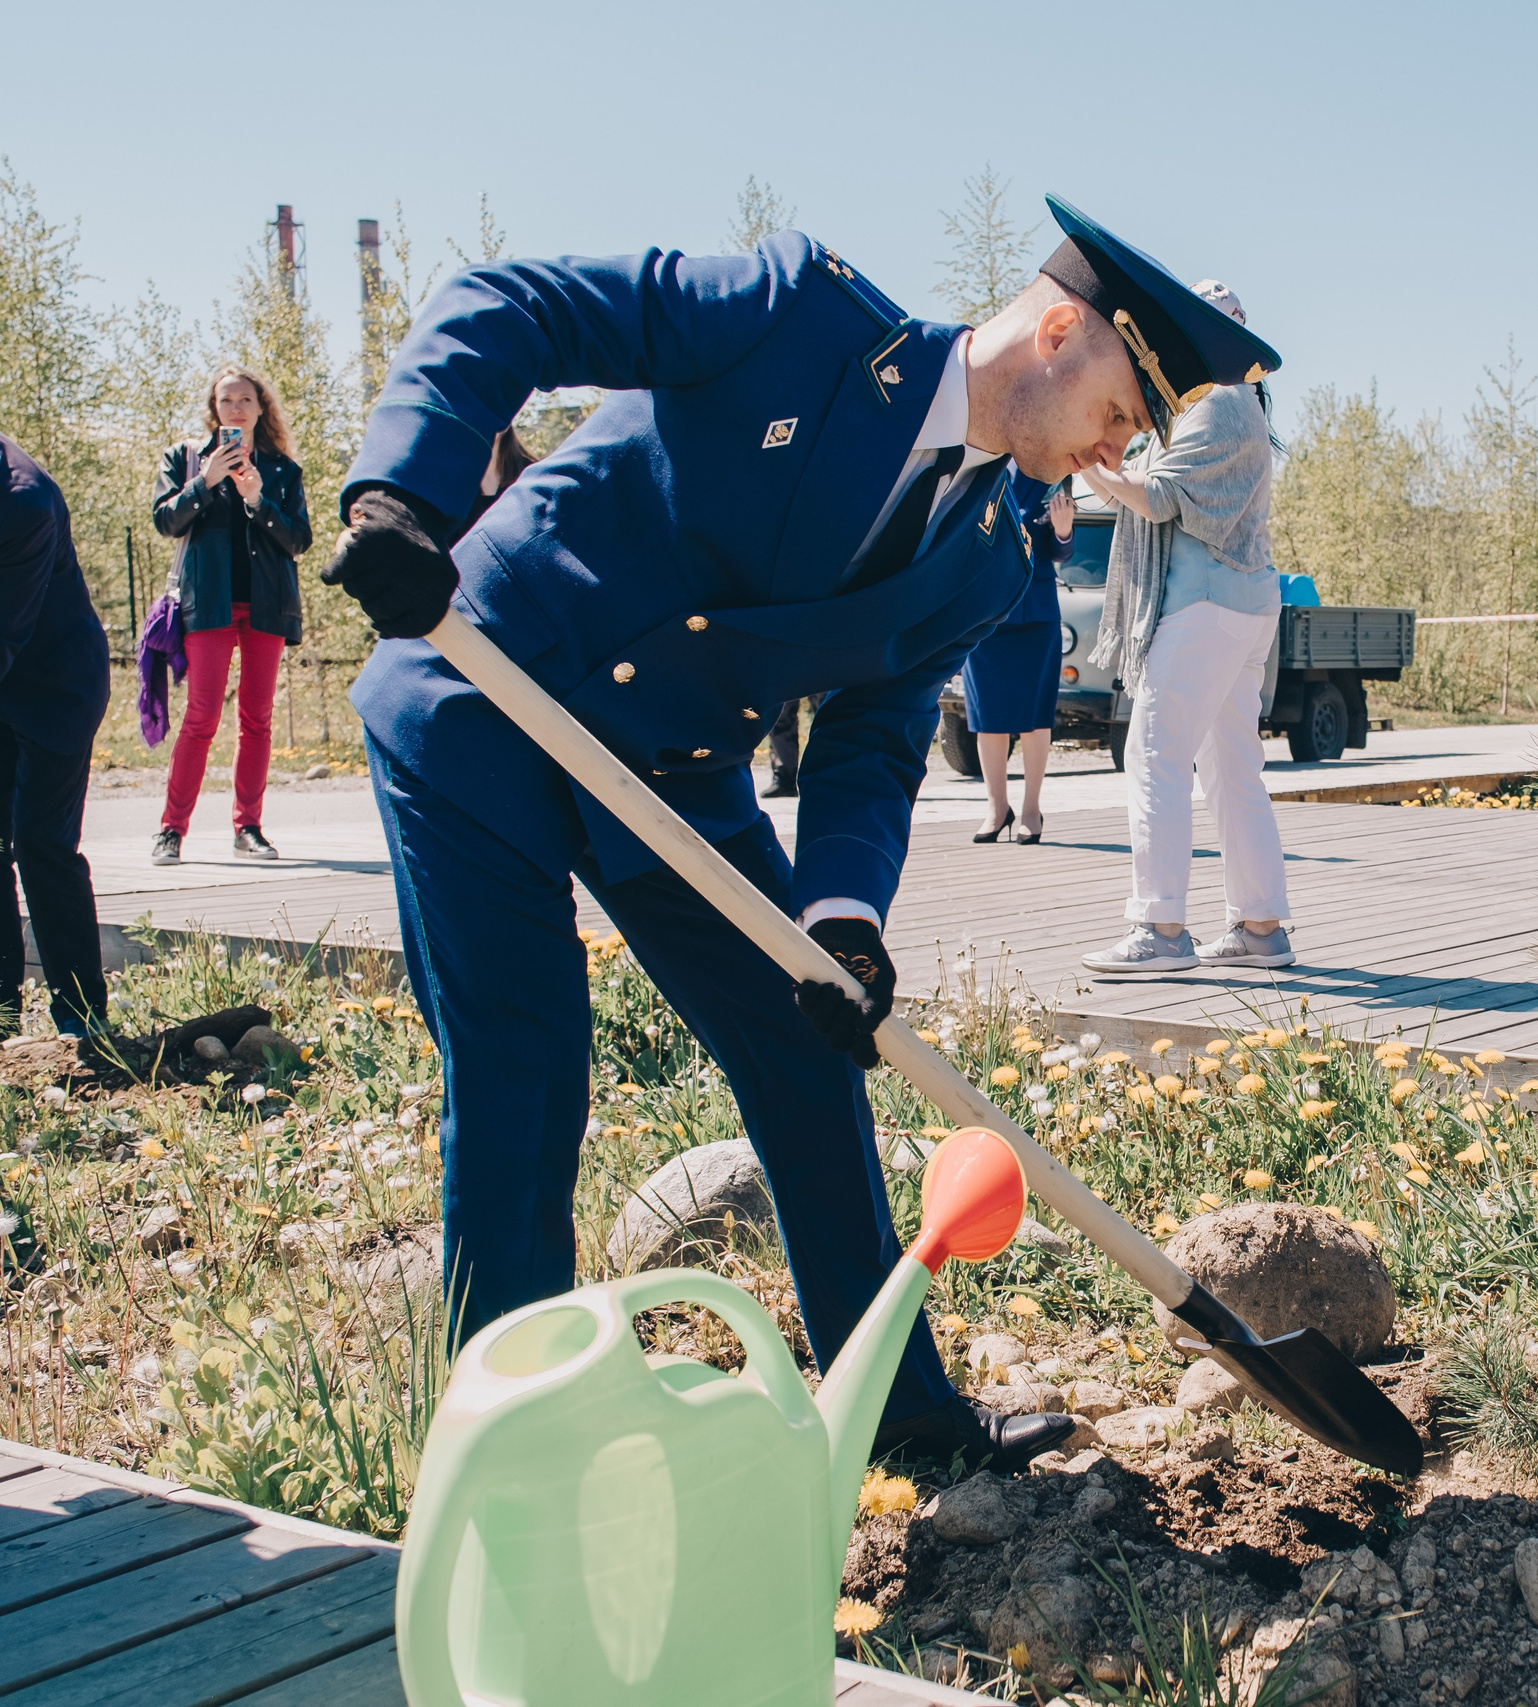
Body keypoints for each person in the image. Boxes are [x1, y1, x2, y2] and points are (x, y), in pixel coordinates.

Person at [318, 198, 1280, 1472]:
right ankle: (508, 1438)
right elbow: (513, 307)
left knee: (808, 1049)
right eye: (1117, 412)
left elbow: (872, 745)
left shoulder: (991, 560)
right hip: (483, 688)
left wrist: (842, 918)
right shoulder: (797, 314)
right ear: (1059, 330)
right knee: (523, 1058)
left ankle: (898, 1413)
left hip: (670, 773)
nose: (1113, 453)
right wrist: (405, 493)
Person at [1079, 280, 1294, 975]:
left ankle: (1160, 928)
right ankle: (1260, 928)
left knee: (1153, 752)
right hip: (1246, 604)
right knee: (1233, 768)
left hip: (1205, 605)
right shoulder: (1241, 405)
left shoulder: (1214, 402)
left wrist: (1099, 470)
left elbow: (1164, 498)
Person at [150, 367, 312, 865]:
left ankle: (249, 828)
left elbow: (298, 541)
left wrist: (258, 499)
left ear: (262, 407)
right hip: (210, 604)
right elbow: (164, 519)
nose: (237, 408)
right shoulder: (184, 459)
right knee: (201, 718)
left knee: (257, 720)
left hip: (265, 605)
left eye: (246, 399)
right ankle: (171, 830)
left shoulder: (282, 470)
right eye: (227, 401)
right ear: (214, 409)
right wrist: (205, 481)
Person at [0, 434, 112, 1039]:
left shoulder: (24, 503)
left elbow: (4, 630)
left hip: (55, 688)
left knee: (41, 844)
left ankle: (81, 1018)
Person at [961, 477, 1072, 843]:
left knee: (1035, 717)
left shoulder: (1052, 471)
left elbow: (1061, 554)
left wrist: (1063, 532)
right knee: (986, 716)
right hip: (983, 609)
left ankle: (1030, 810)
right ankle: (997, 808)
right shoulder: (978, 466)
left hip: (1035, 614)